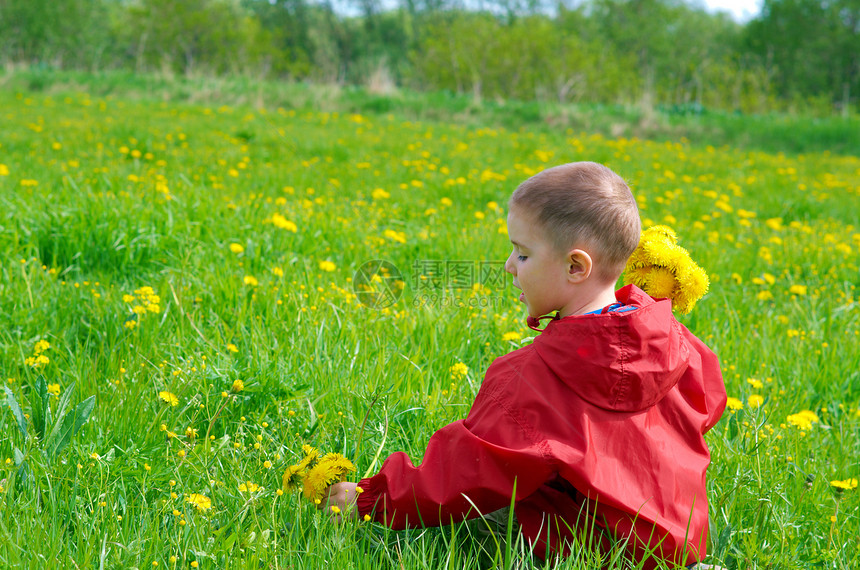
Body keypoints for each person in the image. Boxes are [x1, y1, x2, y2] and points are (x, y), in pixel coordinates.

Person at [324, 162, 727, 568]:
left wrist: (370, 499)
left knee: (486, 513)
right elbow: (709, 402)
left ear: (576, 267)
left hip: (594, 554)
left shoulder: (534, 376)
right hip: (678, 545)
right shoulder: (673, 339)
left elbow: (468, 472)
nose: (509, 265)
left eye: (523, 253)